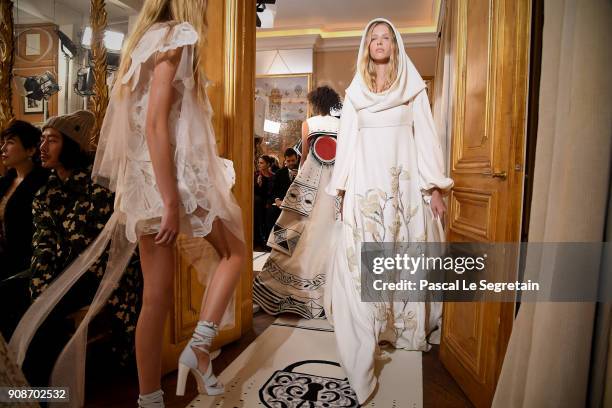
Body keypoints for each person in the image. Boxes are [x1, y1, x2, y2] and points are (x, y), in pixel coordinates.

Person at [324, 19, 454, 404]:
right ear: (366, 47)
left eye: (385, 38)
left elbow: (426, 137)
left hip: (404, 191)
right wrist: (342, 191)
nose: (379, 43)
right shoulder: (355, 95)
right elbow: (346, 145)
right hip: (365, 191)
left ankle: (400, 330)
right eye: (373, 38)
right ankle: (363, 355)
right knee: (363, 269)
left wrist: (433, 187)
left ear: (395, 46)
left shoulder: (413, 91)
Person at [16, 111, 143, 387]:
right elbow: (43, 244)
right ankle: (15, 385)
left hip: (97, 274)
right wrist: (40, 285)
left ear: (70, 145)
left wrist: (47, 292)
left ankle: (44, 393)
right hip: (63, 270)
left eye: (52, 140)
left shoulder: (97, 186)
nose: (42, 148)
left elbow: (85, 245)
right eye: (42, 140)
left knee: (45, 313)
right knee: (10, 296)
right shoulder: (46, 191)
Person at [254, 86, 342, 319]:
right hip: (334, 183)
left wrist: (297, 182)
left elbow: (303, 158)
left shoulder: (309, 124)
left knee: (296, 225)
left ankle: (286, 283)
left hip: (310, 183)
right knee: (330, 228)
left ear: (315, 104)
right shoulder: (342, 125)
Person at [0, 121, 48, 339]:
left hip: (25, 264)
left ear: (30, 150)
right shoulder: (5, 182)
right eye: (3, 143)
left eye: (10, 143)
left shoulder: (42, 184)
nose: (3, 149)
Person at [254, 155, 276, 249]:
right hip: (258, 203)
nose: (259, 165)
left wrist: (269, 202)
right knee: (258, 204)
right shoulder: (256, 175)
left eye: (262, 163)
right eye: (259, 162)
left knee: (270, 213)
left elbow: (274, 192)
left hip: (269, 202)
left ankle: (268, 240)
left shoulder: (273, 176)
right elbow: (254, 192)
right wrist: (257, 184)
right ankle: (259, 239)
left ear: (268, 164)